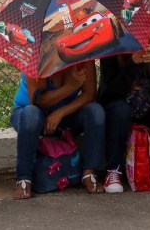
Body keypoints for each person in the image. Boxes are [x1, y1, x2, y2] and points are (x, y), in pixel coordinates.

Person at [97, 32, 150, 193]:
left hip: (148, 112)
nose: (149, 36)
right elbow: (108, 95)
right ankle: (113, 169)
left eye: (149, 31)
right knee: (118, 109)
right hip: (120, 116)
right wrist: (132, 62)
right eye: (141, 33)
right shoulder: (111, 52)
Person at [10, 61, 106, 199]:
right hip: (31, 115)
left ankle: (89, 172)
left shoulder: (83, 57)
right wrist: (71, 86)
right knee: (31, 114)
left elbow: (89, 95)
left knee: (95, 111)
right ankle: (24, 178)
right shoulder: (38, 58)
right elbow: (38, 101)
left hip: (64, 116)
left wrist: (60, 112)